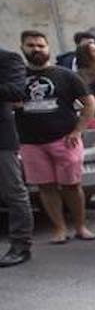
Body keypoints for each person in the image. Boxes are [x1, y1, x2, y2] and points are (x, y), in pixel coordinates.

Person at [17, 30, 95, 244]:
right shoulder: (16, 77)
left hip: (64, 139)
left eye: (40, 45)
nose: (36, 49)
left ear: (48, 47)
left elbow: (90, 104)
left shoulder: (66, 75)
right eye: (31, 45)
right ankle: (59, 228)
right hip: (30, 142)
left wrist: (78, 131)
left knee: (72, 185)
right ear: (22, 48)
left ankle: (81, 226)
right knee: (46, 187)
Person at [0, 46, 34, 267]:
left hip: (1, 137)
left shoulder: (9, 59)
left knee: (13, 192)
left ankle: (20, 245)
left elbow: (15, 91)